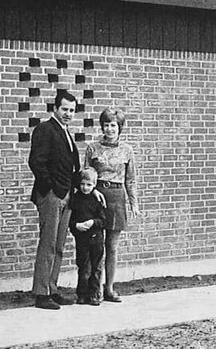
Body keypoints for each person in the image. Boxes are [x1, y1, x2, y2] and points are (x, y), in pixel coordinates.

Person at [28, 90, 81, 310]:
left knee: (59, 245)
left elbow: (70, 166)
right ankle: (41, 294)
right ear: (55, 109)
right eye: (65, 109)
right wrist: (51, 189)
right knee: (48, 244)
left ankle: (52, 289)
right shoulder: (45, 129)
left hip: (67, 195)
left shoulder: (66, 132)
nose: (68, 114)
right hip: (51, 195)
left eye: (72, 110)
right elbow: (36, 162)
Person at [85, 108, 140, 302]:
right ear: (102, 126)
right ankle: (95, 289)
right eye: (106, 125)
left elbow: (130, 180)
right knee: (96, 245)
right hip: (97, 197)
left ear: (120, 127)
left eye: (113, 125)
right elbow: (85, 174)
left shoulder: (127, 150)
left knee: (112, 246)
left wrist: (133, 203)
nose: (109, 129)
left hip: (117, 198)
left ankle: (109, 288)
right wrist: (93, 191)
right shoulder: (93, 148)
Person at [69, 168, 107, 306]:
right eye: (83, 184)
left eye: (89, 185)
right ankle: (82, 294)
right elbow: (70, 220)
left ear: (94, 185)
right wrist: (76, 225)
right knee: (83, 267)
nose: (85, 187)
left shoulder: (97, 199)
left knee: (96, 267)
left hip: (96, 238)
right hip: (82, 239)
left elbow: (103, 221)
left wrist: (93, 222)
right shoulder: (75, 199)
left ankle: (94, 294)